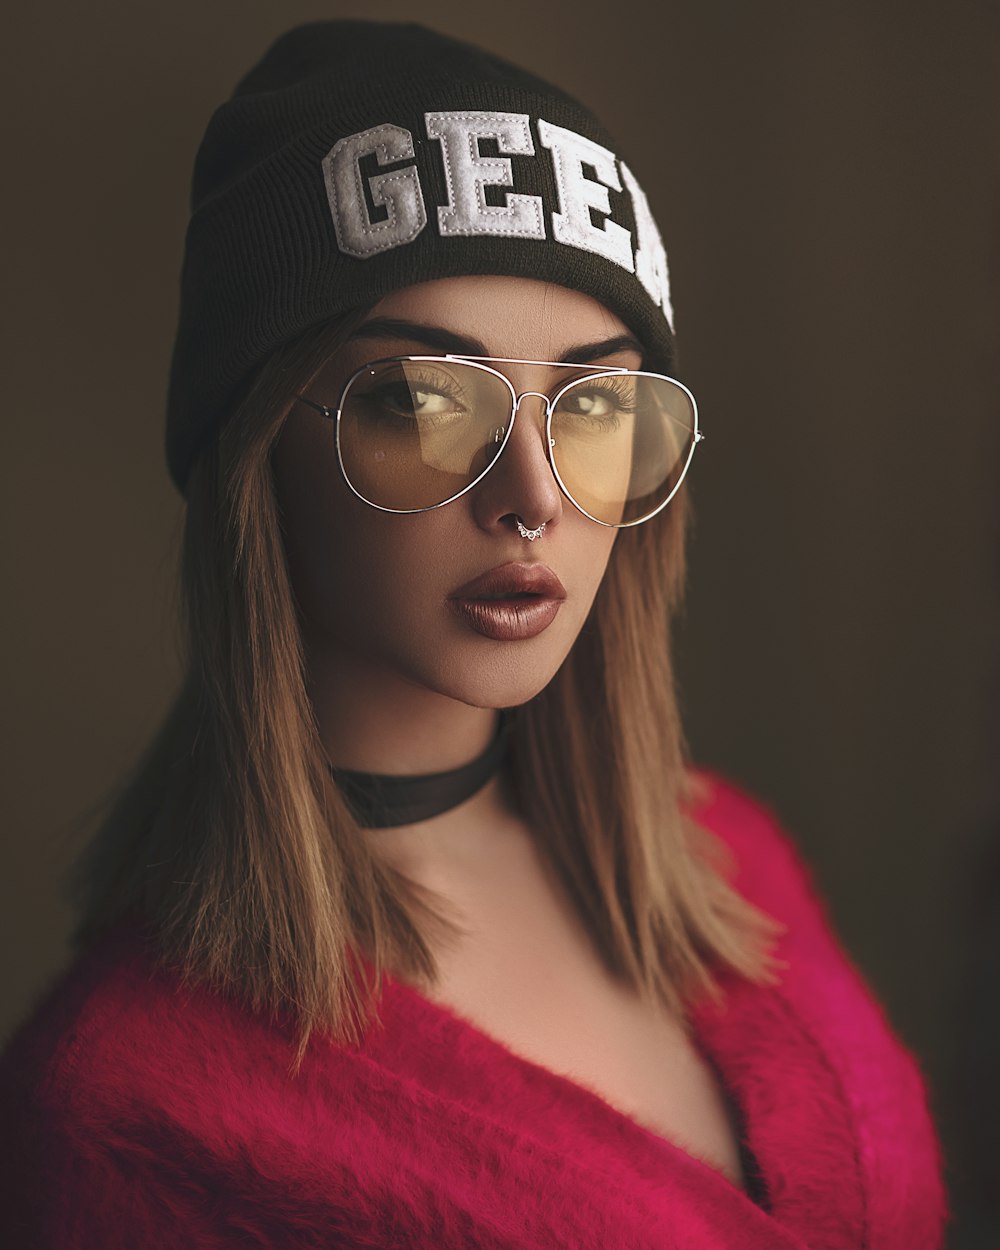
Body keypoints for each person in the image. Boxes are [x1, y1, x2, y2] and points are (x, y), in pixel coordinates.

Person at [0, 20, 946, 1249]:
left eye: (595, 400)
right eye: (420, 399)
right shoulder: (121, 1111)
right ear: (255, 451)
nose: (534, 493)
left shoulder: (726, 855)